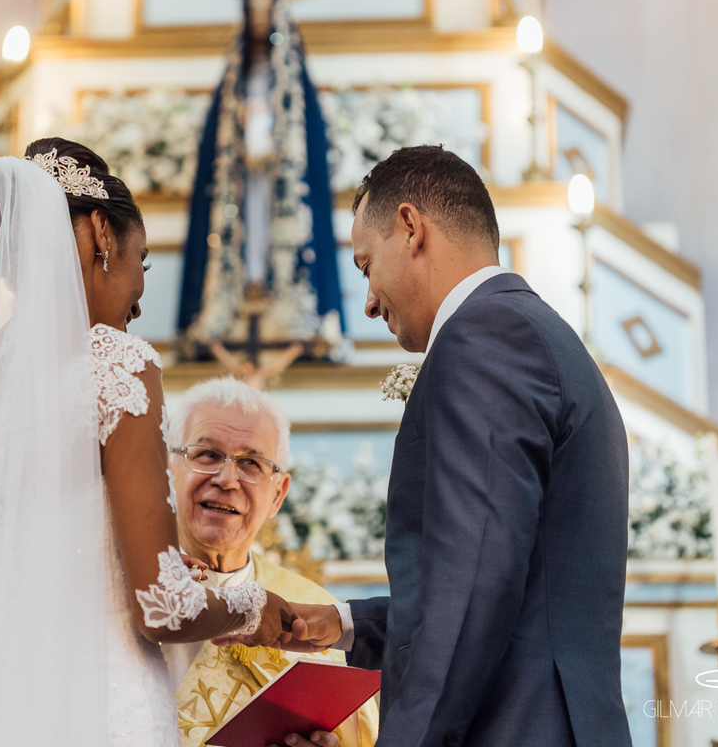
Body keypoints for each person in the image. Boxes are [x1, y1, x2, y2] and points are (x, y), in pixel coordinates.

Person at [0, 139, 300, 747]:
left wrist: (116, 569)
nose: (139, 298)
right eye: (142, 261)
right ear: (102, 233)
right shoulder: (117, 365)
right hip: (102, 710)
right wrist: (252, 606)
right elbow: (161, 608)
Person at [230, 146, 632, 747]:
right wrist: (342, 624)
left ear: (411, 228)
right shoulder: (536, 332)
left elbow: (471, 594)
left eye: (367, 265)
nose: (369, 301)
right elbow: (508, 583)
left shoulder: (483, 338)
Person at [162, 378, 378, 747]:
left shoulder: (315, 616)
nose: (227, 480)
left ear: (278, 495)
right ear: (168, 471)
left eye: (251, 463)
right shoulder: (125, 592)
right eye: (207, 454)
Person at [177, 0, 343, 356]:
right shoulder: (235, 79)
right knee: (242, 229)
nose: (259, 21)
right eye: (253, 11)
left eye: (266, 11)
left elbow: (310, 145)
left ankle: (289, 311)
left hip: (279, 183)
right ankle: (236, 301)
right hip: (242, 182)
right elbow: (216, 142)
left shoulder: (294, 82)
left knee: (278, 233)